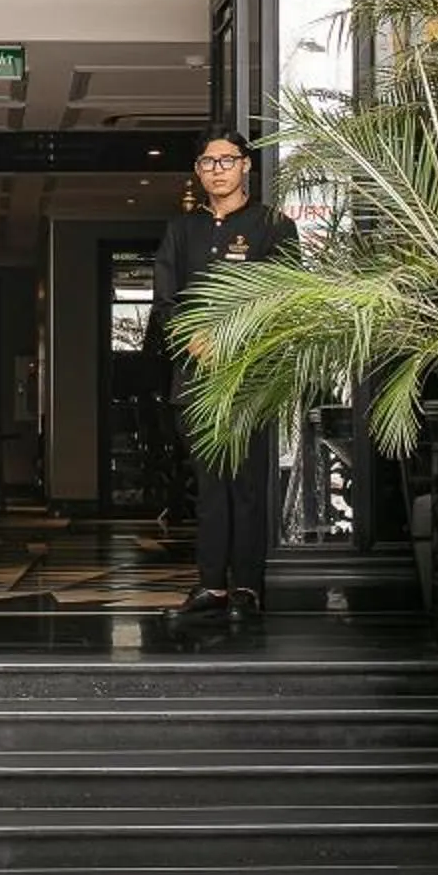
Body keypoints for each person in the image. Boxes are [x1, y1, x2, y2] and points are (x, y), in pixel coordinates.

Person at [151, 133, 298, 624]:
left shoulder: (274, 226)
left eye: (227, 160)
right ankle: (211, 584)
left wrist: (235, 343)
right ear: (198, 169)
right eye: (208, 162)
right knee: (210, 486)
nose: (217, 169)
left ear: (246, 166)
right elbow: (166, 300)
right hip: (195, 379)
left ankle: (247, 587)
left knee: (248, 485)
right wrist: (193, 340)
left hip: (250, 378)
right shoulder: (181, 230)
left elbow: (283, 298)